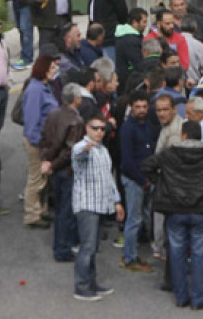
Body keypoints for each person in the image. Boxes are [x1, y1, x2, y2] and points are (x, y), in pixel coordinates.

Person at [142, 120, 203, 311]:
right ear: (200, 136)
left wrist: (161, 182)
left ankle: (181, 296)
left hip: (174, 208)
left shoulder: (169, 153)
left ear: (183, 135)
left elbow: (147, 166)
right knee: (199, 253)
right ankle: (199, 299)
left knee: (176, 252)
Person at [71, 116, 124, 302]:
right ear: (87, 128)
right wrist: (86, 148)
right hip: (86, 205)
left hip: (101, 205)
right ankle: (81, 286)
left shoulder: (103, 151)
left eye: (102, 129)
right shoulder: (82, 147)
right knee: (87, 247)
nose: (99, 132)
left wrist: (116, 202)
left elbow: (109, 179)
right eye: (95, 128)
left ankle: (91, 283)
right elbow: (78, 153)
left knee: (93, 248)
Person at [40, 83, 86, 263]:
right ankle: (63, 249)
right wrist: (53, 163)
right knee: (66, 211)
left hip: (54, 169)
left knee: (60, 208)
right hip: (66, 170)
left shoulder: (53, 114)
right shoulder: (76, 121)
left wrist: (46, 161)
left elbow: (45, 140)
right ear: (76, 99)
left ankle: (62, 244)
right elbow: (70, 151)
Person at [118, 95, 156, 273]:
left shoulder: (147, 125)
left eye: (144, 106)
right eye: (137, 106)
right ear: (131, 108)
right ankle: (129, 257)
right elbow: (127, 161)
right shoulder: (128, 129)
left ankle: (132, 253)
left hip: (144, 179)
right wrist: (142, 180)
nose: (141, 110)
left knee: (140, 218)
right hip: (135, 180)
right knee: (133, 220)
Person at [22, 55, 60, 229]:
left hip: (44, 140)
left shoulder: (45, 87)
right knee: (36, 178)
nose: (55, 71)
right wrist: (38, 142)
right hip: (37, 141)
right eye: (52, 68)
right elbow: (31, 120)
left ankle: (41, 210)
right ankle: (32, 214)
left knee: (44, 178)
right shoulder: (35, 90)